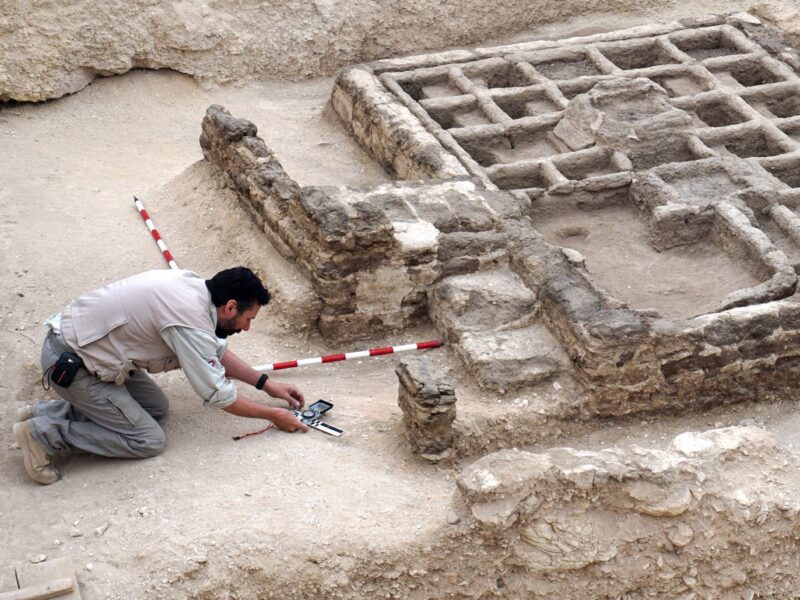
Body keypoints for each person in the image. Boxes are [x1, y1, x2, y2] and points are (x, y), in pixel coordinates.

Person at [13, 267, 308, 485]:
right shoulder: (188, 320)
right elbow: (219, 394)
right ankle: (42, 435)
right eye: (248, 319)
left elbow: (214, 351)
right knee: (147, 441)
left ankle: (43, 410)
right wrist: (273, 416)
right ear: (231, 306)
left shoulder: (194, 287)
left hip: (88, 349)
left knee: (157, 408)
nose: (247, 328)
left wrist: (267, 385)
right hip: (71, 364)